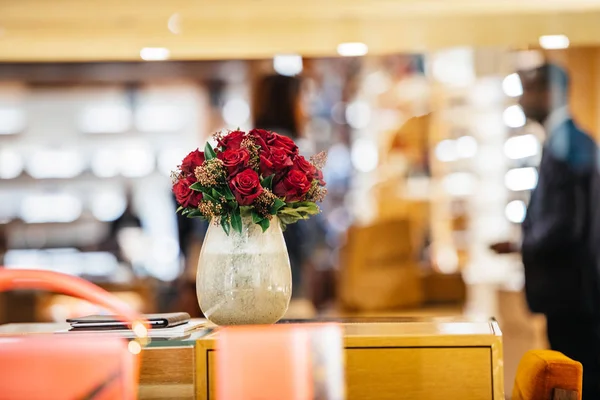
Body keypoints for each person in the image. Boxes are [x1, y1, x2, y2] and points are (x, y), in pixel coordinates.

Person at [492, 63, 600, 398]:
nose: (522, 100)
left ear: (549, 93)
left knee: (580, 380)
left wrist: (527, 244)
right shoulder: (562, 142)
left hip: (575, 296)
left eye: (528, 90)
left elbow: (569, 223)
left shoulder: (570, 144)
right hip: (570, 294)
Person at [253, 74, 316, 301]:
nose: (305, 110)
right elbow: (304, 221)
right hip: (287, 263)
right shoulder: (290, 150)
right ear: (287, 103)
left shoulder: (248, 147)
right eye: (302, 99)